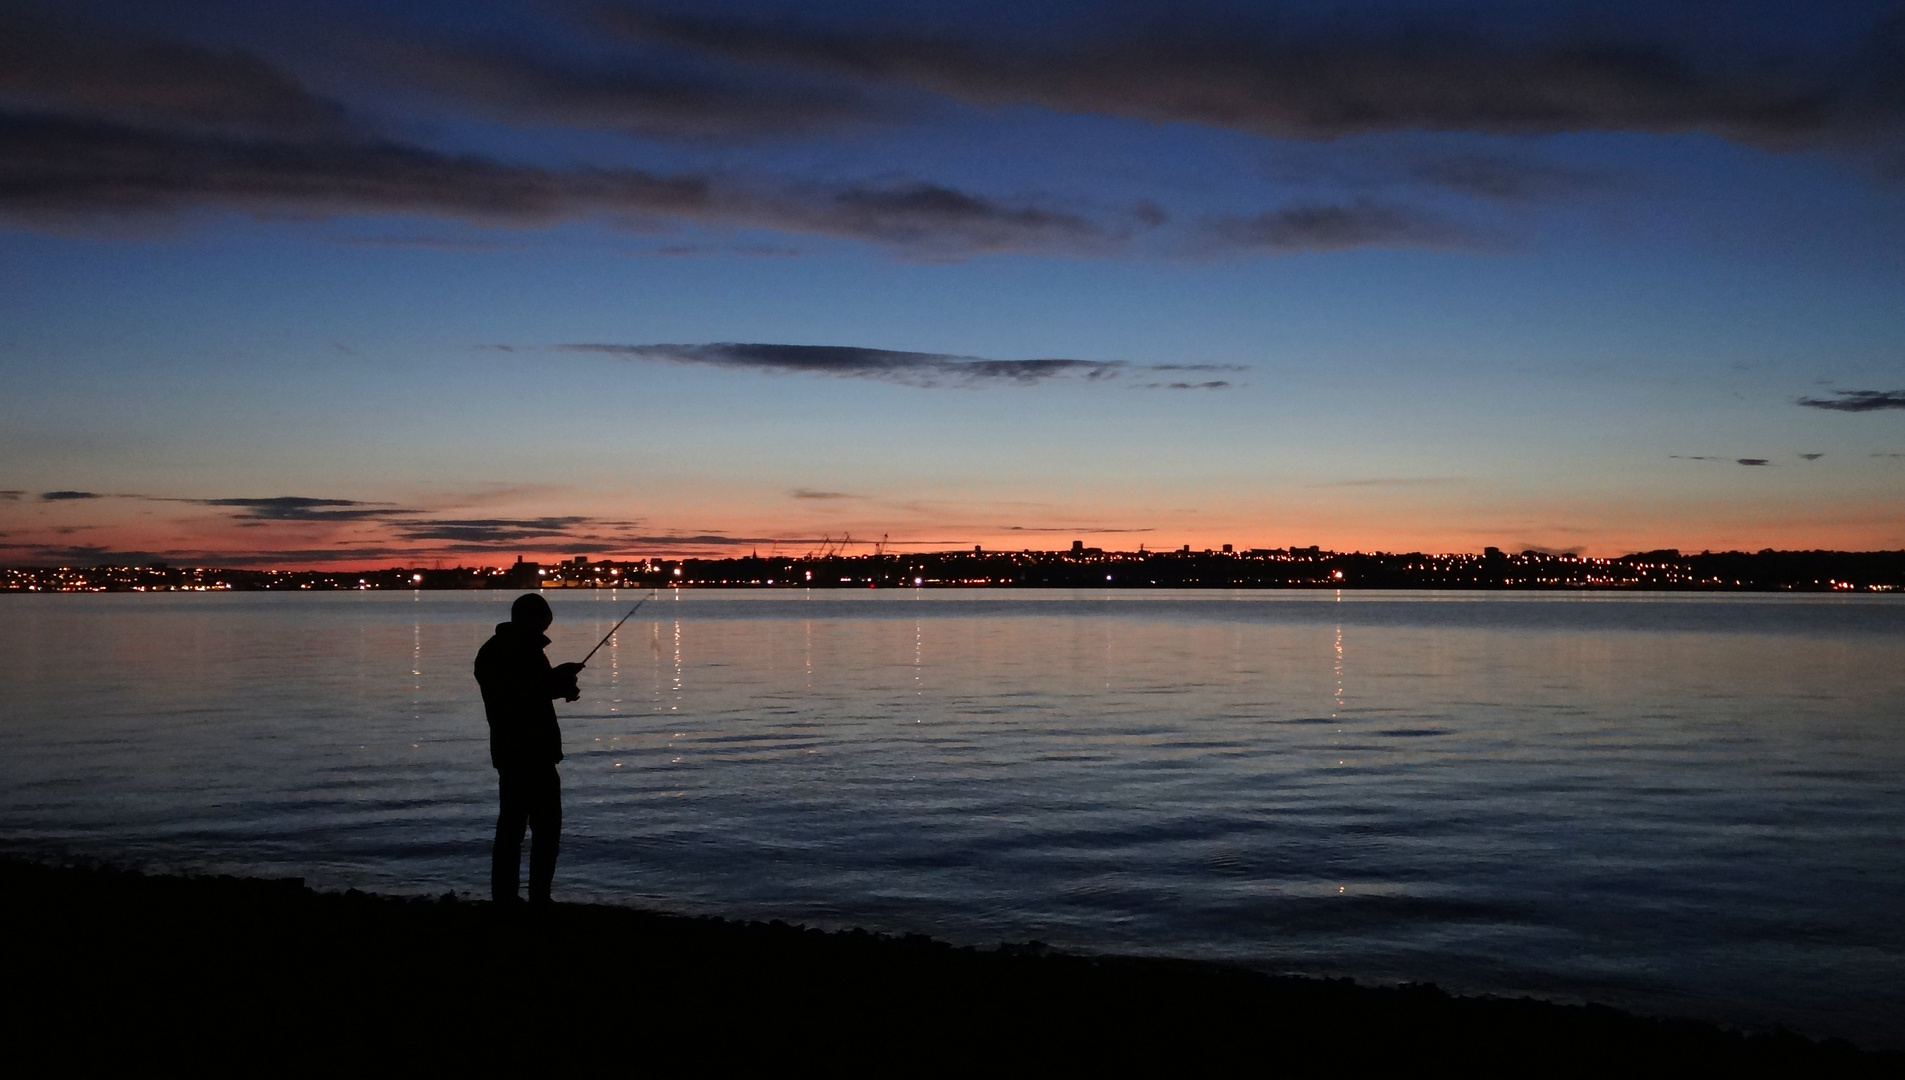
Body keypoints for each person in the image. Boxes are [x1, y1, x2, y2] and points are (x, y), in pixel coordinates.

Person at [474, 593, 582, 905]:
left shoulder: (495, 650)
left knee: (511, 827)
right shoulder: (521, 651)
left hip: (509, 751)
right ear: (531, 621)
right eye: (541, 626)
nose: (543, 633)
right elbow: (529, 691)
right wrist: (559, 682)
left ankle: (505, 895)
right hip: (531, 751)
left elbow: (531, 688)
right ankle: (538, 897)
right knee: (545, 829)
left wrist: (559, 681)